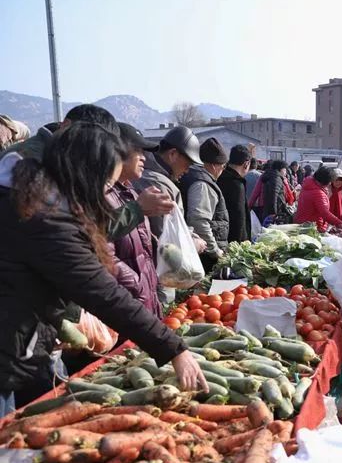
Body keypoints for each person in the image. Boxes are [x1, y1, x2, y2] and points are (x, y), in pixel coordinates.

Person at [0, 123, 207, 415]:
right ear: (86, 172)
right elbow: (102, 291)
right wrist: (174, 349)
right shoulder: (44, 216)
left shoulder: (35, 196)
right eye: (106, 182)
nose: (109, 190)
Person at [0, 104, 174, 240]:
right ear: (65, 126)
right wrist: (137, 209)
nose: (96, 151)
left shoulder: (57, 159)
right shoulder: (32, 161)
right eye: (92, 140)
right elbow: (80, 229)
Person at [106, 123, 162, 317]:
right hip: (125, 309)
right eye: (137, 150)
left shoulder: (129, 192)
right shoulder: (102, 196)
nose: (144, 157)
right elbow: (103, 254)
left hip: (143, 304)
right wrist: (138, 286)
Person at [133, 125, 202, 238]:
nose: (187, 170)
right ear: (173, 154)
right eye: (188, 164)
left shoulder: (143, 173)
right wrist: (194, 243)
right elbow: (169, 237)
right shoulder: (161, 185)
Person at [180, 138, 230, 271]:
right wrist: (214, 251)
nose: (222, 170)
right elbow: (199, 221)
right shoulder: (202, 183)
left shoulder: (192, 175)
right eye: (223, 166)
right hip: (202, 254)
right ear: (214, 165)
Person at [218, 145, 252, 244]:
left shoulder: (220, 177)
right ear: (246, 164)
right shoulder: (237, 184)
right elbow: (239, 218)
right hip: (232, 240)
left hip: (221, 236)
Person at [250, 159, 293, 224]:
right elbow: (273, 197)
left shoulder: (268, 175)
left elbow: (255, 193)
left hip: (264, 207)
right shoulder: (276, 178)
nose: (285, 172)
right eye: (285, 170)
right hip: (272, 210)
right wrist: (273, 215)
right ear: (280, 169)